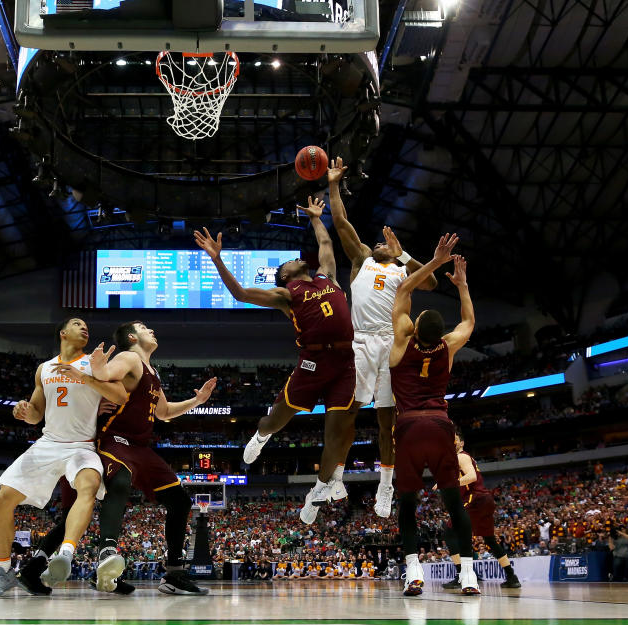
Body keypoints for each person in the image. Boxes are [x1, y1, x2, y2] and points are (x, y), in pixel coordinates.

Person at [194, 198, 356, 525]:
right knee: (277, 419)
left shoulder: (327, 277)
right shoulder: (286, 295)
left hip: (345, 361)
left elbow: (325, 242)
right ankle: (261, 436)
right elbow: (240, 294)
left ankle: (317, 492)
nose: (296, 259)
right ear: (284, 276)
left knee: (337, 435)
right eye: (289, 262)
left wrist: (314, 218)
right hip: (313, 361)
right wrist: (218, 260)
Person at [0, 318, 127, 597]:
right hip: (48, 443)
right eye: (77, 323)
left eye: (86, 325)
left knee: (89, 486)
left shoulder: (94, 364)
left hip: (81, 446)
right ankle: (3, 571)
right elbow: (37, 413)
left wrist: (84, 378)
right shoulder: (44, 369)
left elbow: (120, 397)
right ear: (63, 333)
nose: (84, 327)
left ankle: (66, 554)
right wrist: (24, 412)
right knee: (2, 499)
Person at [327, 156, 437, 517]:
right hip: (360, 341)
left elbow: (433, 281)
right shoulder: (361, 260)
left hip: (391, 342)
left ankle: (386, 488)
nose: (378, 244)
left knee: (387, 421)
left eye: (384, 244)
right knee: (348, 410)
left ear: (393, 249)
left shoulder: (403, 269)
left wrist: (403, 252)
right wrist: (333, 185)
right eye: (376, 242)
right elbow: (341, 223)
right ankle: (337, 477)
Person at [84, 320, 216, 595]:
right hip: (115, 437)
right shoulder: (129, 357)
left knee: (179, 500)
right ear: (132, 337)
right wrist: (98, 368)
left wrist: (196, 402)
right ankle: (106, 554)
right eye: (144, 328)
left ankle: (174, 574)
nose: (152, 330)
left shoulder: (152, 371)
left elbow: (164, 412)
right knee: (120, 481)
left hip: (140, 447)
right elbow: (106, 373)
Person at [387, 233, 480, 596]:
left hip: (409, 426)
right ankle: (469, 575)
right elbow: (468, 323)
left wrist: (437, 262)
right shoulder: (449, 346)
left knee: (407, 505)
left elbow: (403, 290)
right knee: (454, 503)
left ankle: (414, 573)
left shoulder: (402, 341)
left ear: (415, 325)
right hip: (441, 426)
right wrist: (462, 286)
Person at [441, 432, 521, 590]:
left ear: (461, 443)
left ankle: (461, 575)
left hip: (475, 498)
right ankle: (511, 576)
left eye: (455, 440)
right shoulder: (457, 458)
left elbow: (471, 477)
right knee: (489, 539)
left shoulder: (461, 456)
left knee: (449, 532)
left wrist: (450, 483)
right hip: (484, 499)